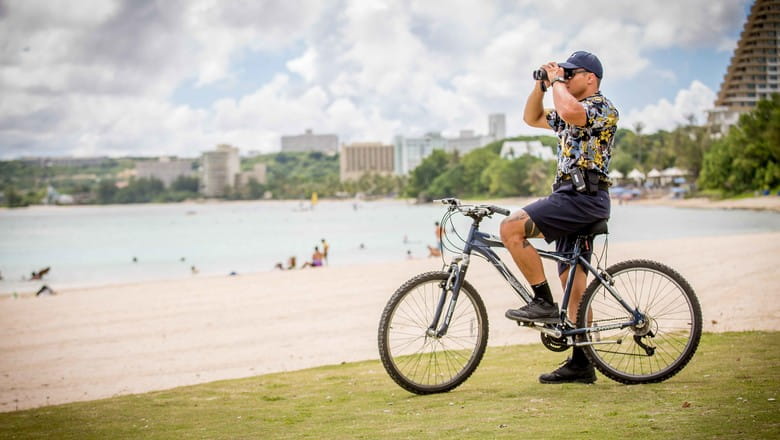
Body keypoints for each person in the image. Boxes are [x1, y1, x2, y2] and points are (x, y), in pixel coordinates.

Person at [500, 51, 618, 384]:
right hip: (574, 199)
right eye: (562, 74)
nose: (565, 79)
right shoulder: (568, 108)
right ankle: (582, 362)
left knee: (510, 228)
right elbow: (531, 117)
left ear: (590, 78)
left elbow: (569, 110)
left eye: (571, 74)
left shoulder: (601, 108)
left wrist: (555, 82)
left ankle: (542, 302)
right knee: (574, 285)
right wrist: (540, 86)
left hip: (580, 198)